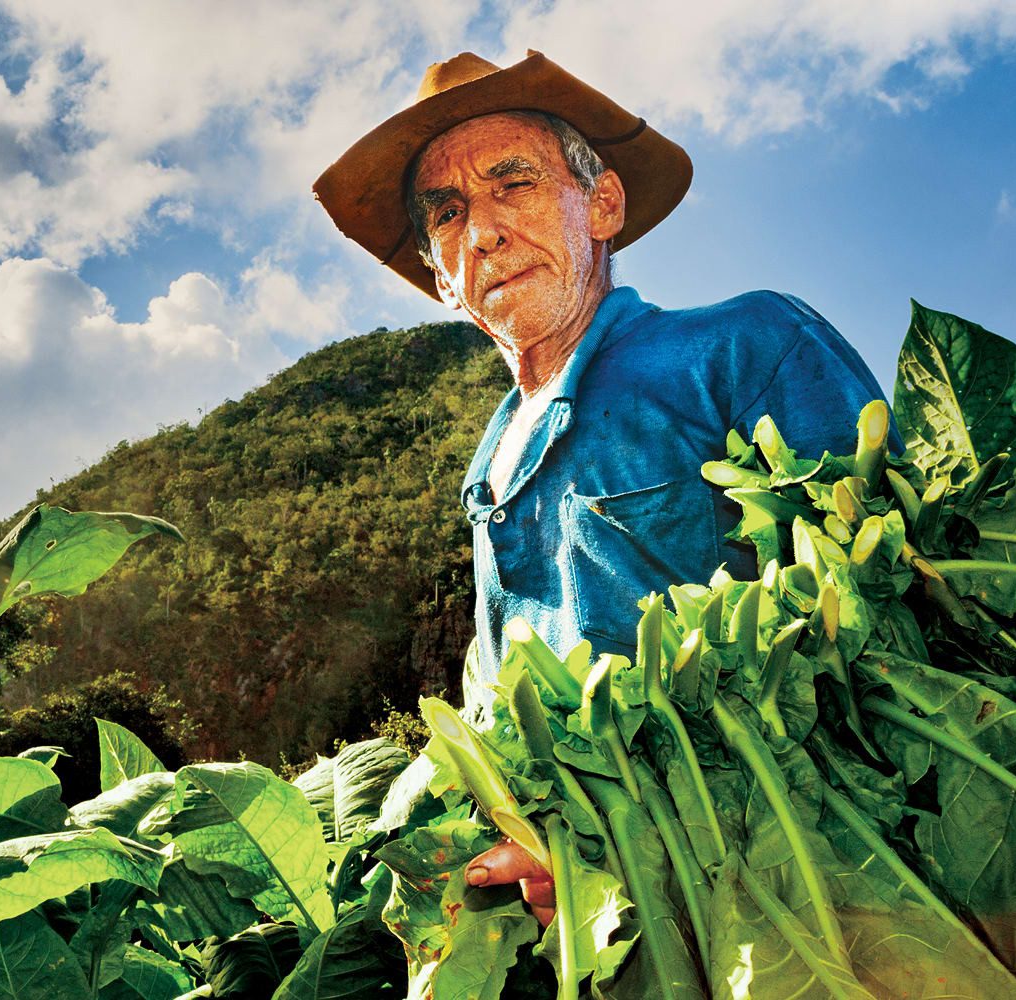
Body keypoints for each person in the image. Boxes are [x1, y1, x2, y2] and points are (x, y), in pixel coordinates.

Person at [312, 51, 885, 924]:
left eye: (515, 184)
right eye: (449, 213)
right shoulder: (488, 466)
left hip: (800, 892)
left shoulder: (745, 346)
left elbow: (883, 604)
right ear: (439, 275)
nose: (485, 232)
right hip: (596, 930)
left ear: (602, 204)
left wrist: (608, 825)